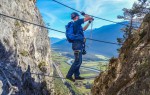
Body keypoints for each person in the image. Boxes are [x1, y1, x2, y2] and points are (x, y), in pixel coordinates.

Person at [66, 12, 93, 82]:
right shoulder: (77, 22)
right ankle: (69, 75)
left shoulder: (77, 25)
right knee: (77, 61)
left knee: (79, 61)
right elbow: (88, 17)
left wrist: (89, 22)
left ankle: (77, 75)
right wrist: (85, 15)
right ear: (77, 17)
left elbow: (83, 29)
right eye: (78, 16)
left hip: (78, 45)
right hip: (77, 44)